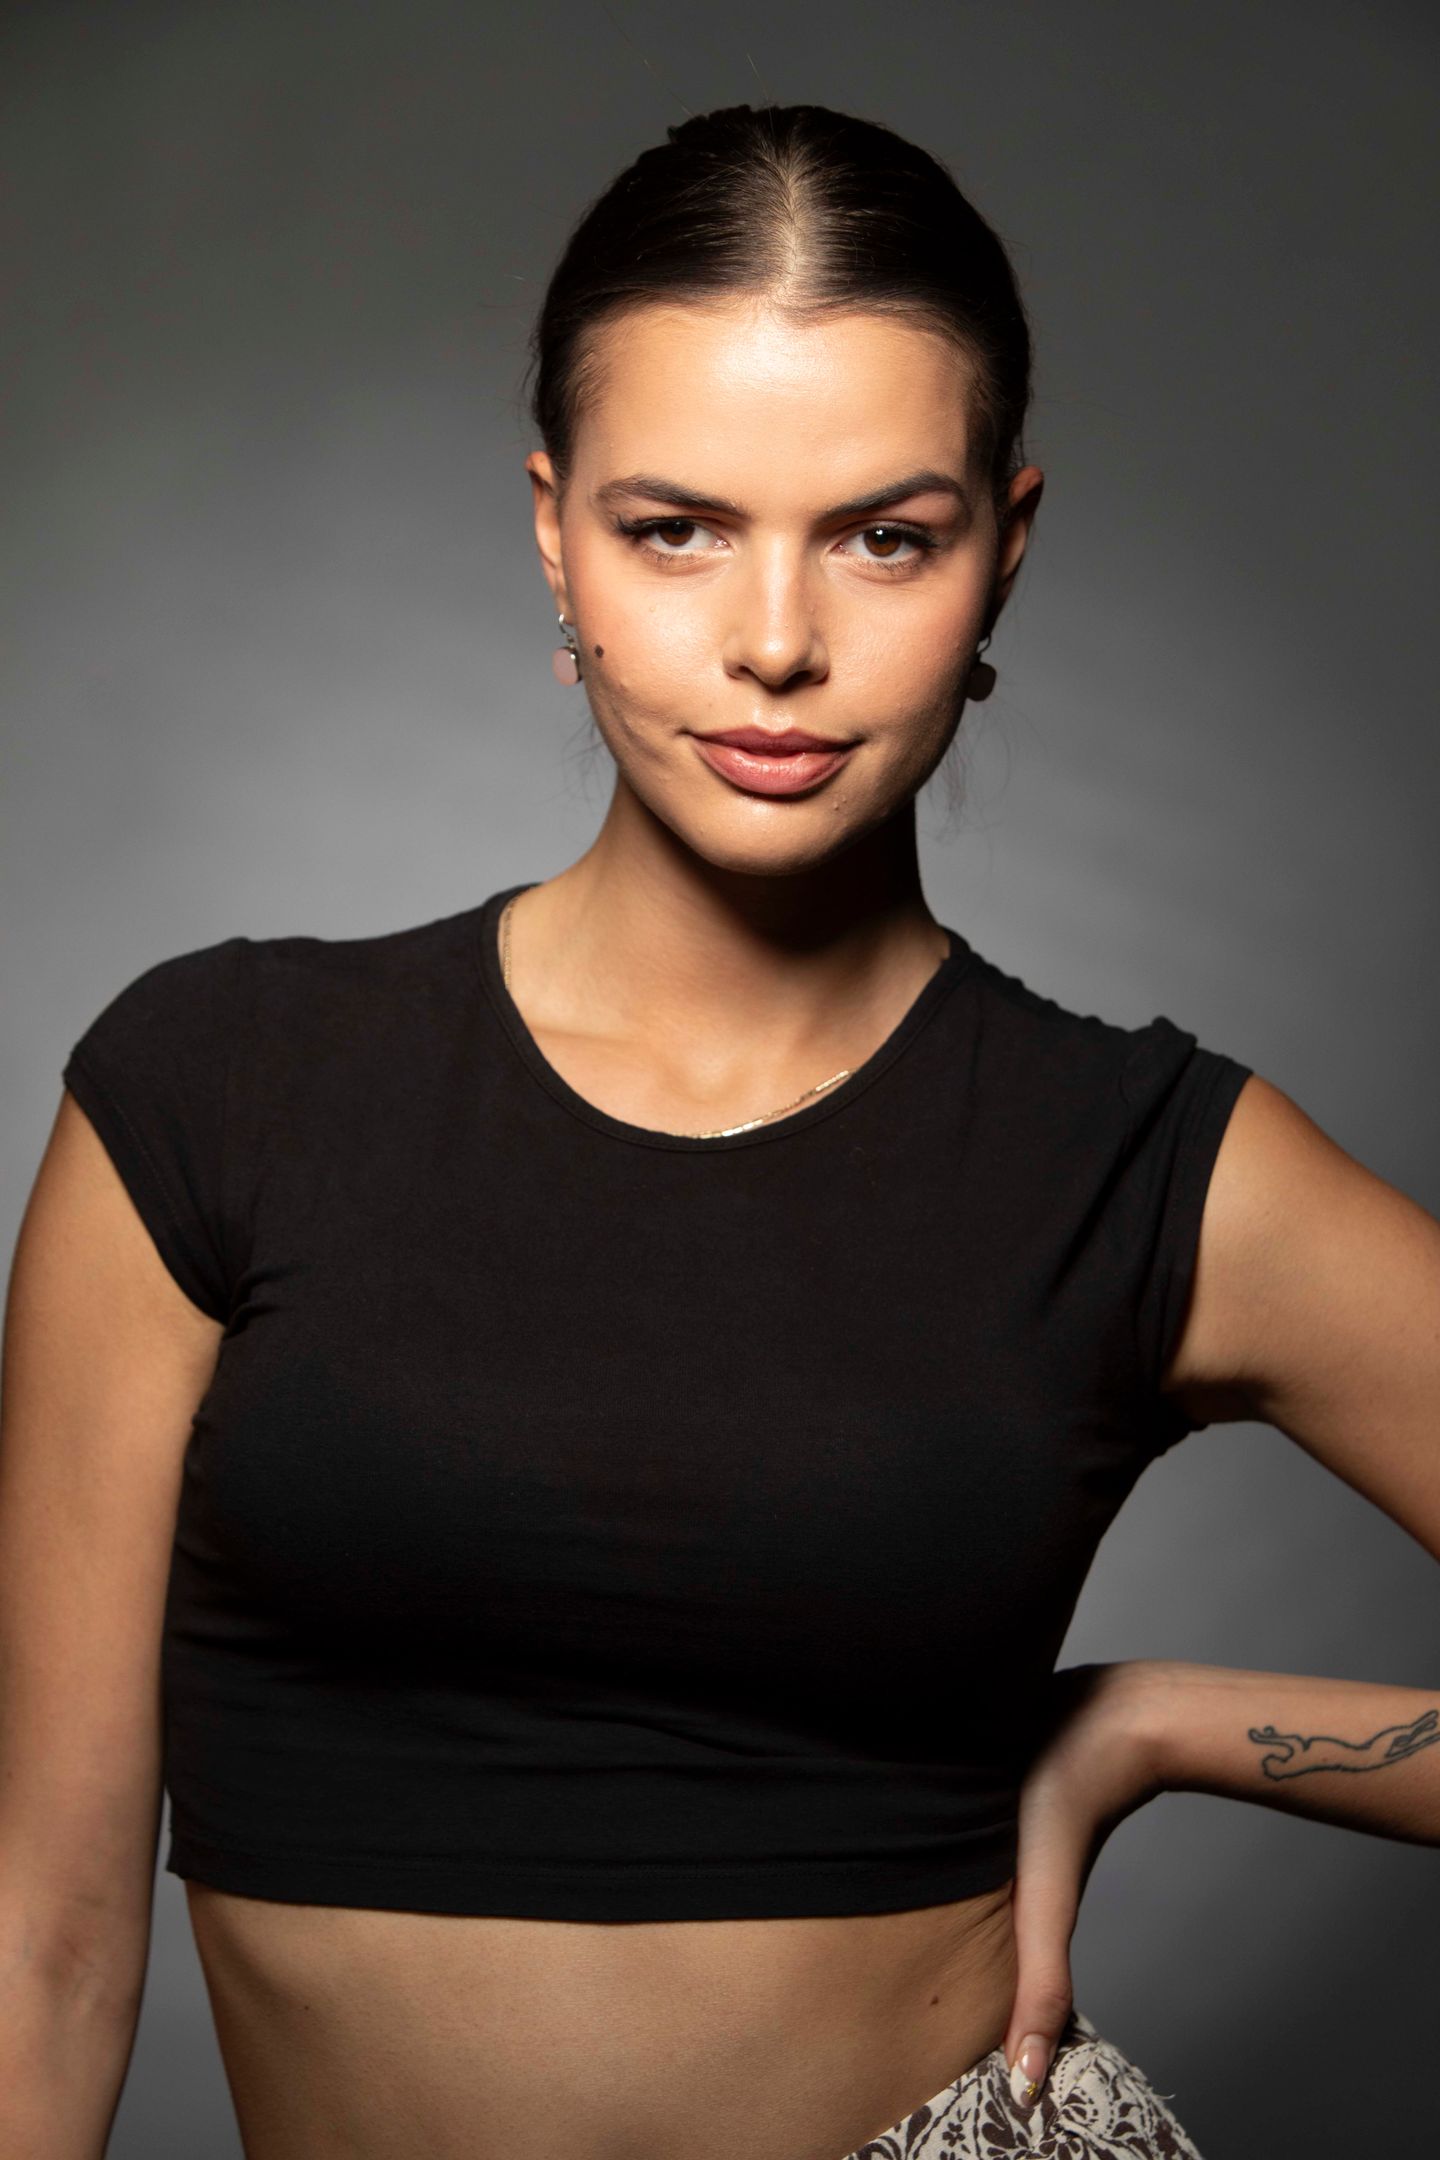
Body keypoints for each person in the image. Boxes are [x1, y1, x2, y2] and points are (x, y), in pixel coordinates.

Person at [2, 99, 1436, 2160]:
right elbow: (45, 1938)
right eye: (675, 527)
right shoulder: (211, 1092)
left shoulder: (1147, 1165)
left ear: (1005, 546)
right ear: (553, 530)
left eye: (885, 536)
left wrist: (1174, 1723)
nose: (775, 640)